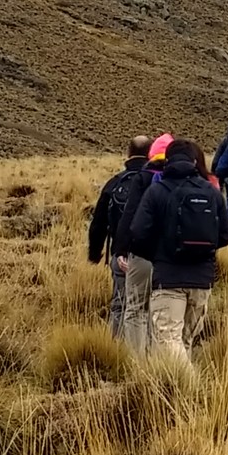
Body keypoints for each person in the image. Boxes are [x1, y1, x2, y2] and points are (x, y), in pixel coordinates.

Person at [126, 136, 228, 361]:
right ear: (194, 161)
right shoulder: (211, 191)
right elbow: (226, 234)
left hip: (169, 279)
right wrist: (205, 251)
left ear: (167, 161)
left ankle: (190, 394)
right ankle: (177, 390)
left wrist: (157, 255)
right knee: (185, 341)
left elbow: (137, 232)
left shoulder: (157, 191)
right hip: (202, 280)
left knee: (169, 340)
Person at [86, 133, 154, 347]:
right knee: (148, 306)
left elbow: (98, 224)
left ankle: (116, 350)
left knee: (120, 305)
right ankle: (148, 355)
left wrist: (94, 254)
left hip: (120, 254)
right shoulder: (159, 182)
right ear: (151, 154)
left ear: (128, 154)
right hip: (153, 256)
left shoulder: (114, 183)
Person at [112, 133, 174, 353]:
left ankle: (136, 361)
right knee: (162, 309)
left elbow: (129, 215)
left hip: (141, 253)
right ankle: (159, 359)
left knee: (136, 307)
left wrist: (121, 249)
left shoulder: (143, 177)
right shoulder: (181, 179)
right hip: (170, 257)